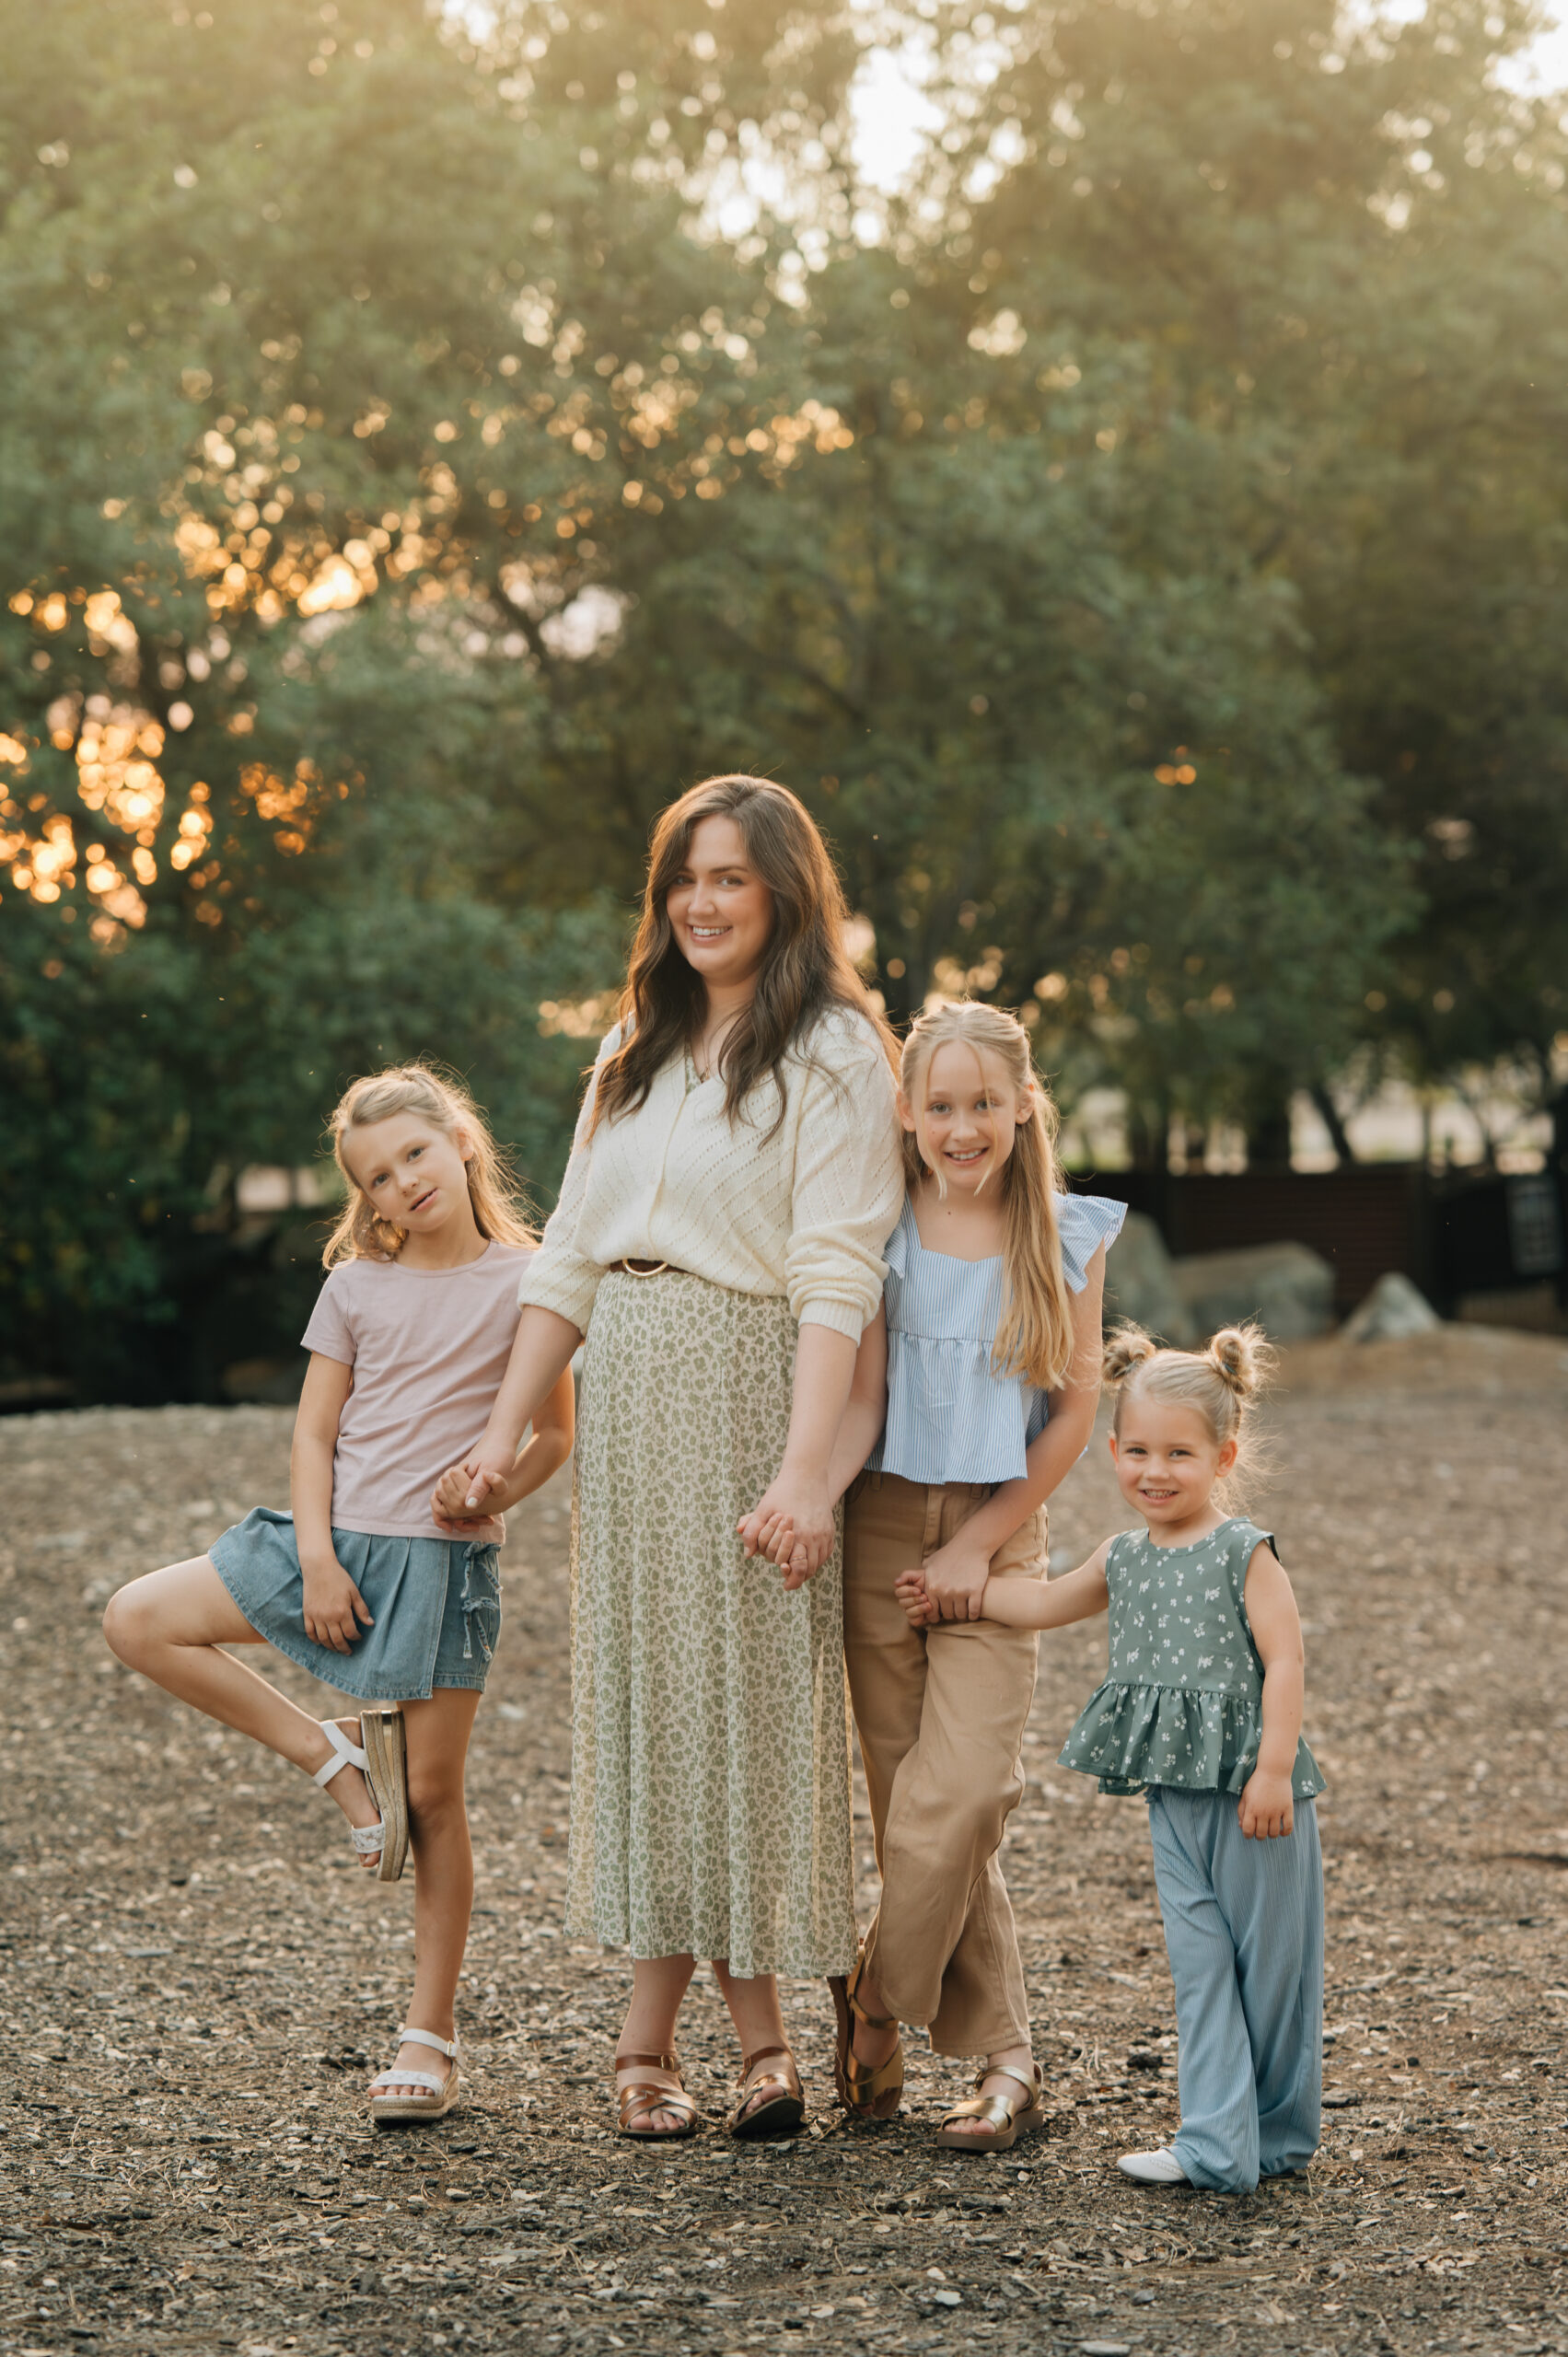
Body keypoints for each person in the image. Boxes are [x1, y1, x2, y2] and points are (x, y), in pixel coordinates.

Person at [436, 775, 904, 2141]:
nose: (702, 903)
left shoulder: (828, 1050)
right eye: (683, 880)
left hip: (752, 1381)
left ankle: (725, 2040)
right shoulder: (631, 1043)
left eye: (730, 880)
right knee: (650, 1705)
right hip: (630, 1392)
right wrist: (495, 1434)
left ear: (784, 895)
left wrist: (804, 1472)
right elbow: (567, 1256)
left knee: (748, 1715)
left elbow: (835, 1275)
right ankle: (659, 2039)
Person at [103, 1066, 574, 2125]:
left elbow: (554, 1437)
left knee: (433, 1803)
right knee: (138, 1617)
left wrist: (499, 1482)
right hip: (333, 1545)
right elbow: (314, 1431)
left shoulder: (530, 1281)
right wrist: (314, 1558)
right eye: (375, 1176)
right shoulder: (355, 1286)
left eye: (413, 1154)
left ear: (460, 1139)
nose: (401, 1183)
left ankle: (428, 2036)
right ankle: (331, 1754)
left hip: (440, 1567)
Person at [899, 1321, 1325, 2193]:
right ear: (1110, 1450)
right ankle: (1213, 2144)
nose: (1153, 1472)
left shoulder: (1243, 1553)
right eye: (1136, 1451)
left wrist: (1273, 1768)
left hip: (1255, 1796)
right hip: (1172, 1797)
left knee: (1273, 1976)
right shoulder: (1124, 1555)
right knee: (1201, 1966)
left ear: (1223, 1455)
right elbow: (1049, 1600)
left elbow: (1285, 1660)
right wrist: (960, 1594)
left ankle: (1276, 2137)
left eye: (1177, 1453)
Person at [809, 999, 1125, 2147]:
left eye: (982, 1103)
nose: (960, 1126)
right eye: (938, 1104)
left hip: (997, 1535)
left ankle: (876, 2005)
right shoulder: (877, 1225)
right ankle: (1007, 2061)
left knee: (963, 1802)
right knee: (912, 1812)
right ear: (904, 1108)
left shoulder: (1062, 1231)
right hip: (880, 1527)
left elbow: (1074, 1410)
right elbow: (859, 1393)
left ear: (1021, 1105)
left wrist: (977, 1545)